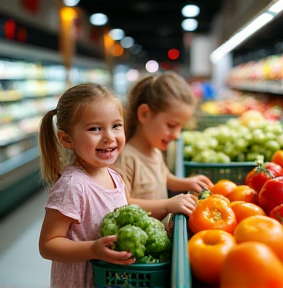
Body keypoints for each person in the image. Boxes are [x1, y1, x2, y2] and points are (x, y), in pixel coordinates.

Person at [38, 82, 197, 288]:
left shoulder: (114, 176)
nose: (109, 137)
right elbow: (48, 245)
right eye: (95, 128)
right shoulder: (73, 186)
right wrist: (93, 249)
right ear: (67, 139)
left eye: (116, 126)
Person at [113, 72, 214, 205]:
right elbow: (122, 204)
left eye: (180, 128)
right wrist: (167, 205)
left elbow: (164, 178)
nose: (177, 135)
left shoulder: (155, 151)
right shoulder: (124, 160)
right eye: (171, 126)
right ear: (144, 114)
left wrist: (187, 183)